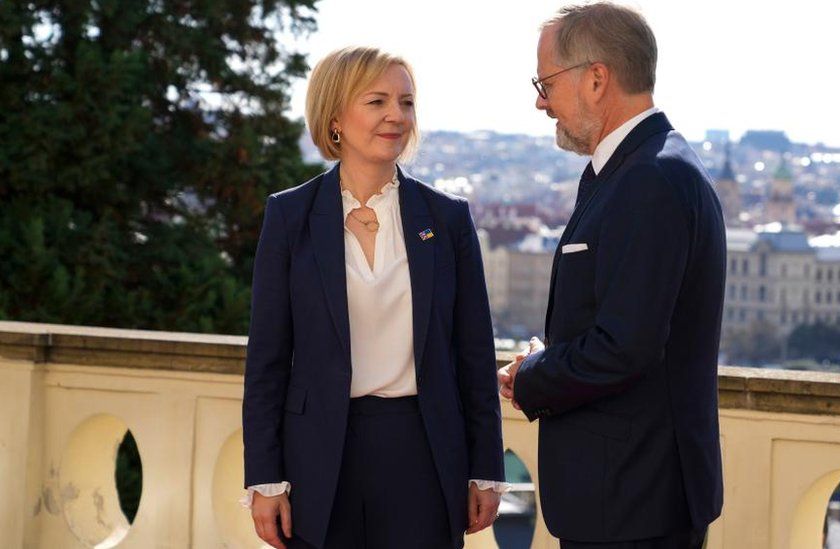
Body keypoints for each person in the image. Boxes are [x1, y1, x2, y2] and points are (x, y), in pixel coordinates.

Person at [243, 46, 505, 549]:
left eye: (406, 103)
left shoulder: (447, 218)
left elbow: (473, 353)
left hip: (424, 453)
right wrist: (264, 478)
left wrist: (486, 469)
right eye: (377, 101)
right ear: (335, 116)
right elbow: (267, 361)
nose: (396, 116)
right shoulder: (289, 217)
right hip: (317, 458)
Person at [497, 3, 726, 548]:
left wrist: (532, 376)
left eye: (546, 81)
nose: (540, 101)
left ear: (597, 78)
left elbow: (626, 346)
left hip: (632, 498)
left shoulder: (649, 179)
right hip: (625, 493)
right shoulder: (636, 169)